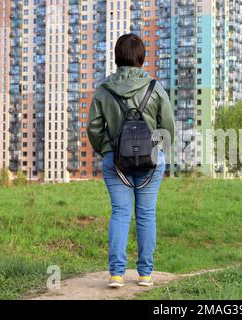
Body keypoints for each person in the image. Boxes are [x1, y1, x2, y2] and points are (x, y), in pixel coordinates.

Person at [87, 33, 175, 288]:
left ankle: (116, 275)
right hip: (150, 163)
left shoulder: (103, 90)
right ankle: (145, 275)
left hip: (115, 163)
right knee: (146, 215)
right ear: (141, 57)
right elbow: (167, 126)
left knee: (120, 213)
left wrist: (107, 151)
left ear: (117, 57)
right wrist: (155, 150)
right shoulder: (154, 87)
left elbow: (94, 128)